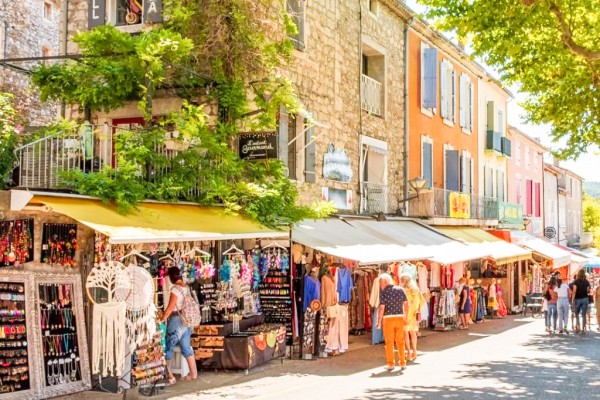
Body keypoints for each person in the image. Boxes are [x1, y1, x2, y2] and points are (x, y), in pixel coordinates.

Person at [159, 266, 198, 384]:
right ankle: (193, 374)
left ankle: (170, 375)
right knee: (186, 347)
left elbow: (170, 307)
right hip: (187, 321)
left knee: (168, 346)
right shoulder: (186, 287)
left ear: (171, 277)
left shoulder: (175, 289)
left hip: (176, 321)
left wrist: (162, 319)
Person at [375, 273, 408, 371]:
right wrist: (405, 318)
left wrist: (378, 321)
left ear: (385, 281)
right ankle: (402, 362)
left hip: (388, 319)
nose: (380, 285)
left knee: (389, 342)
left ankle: (391, 363)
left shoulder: (384, 292)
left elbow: (381, 308)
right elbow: (406, 305)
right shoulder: (401, 290)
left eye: (381, 283)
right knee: (400, 341)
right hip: (400, 318)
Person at [400, 273, 422, 362]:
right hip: (414, 314)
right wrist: (418, 311)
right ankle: (415, 351)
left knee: (406, 334)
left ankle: (408, 352)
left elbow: (403, 304)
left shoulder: (403, 290)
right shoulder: (416, 289)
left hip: (406, 313)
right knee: (413, 333)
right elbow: (421, 302)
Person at [571, 269, 591, 335]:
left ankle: (578, 326)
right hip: (585, 298)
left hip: (577, 299)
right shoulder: (587, 282)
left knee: (576, 313)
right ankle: (584, 329)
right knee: (584, 315)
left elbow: (574, 291)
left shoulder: (575, 282)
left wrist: (572, 300)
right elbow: (588, 291)